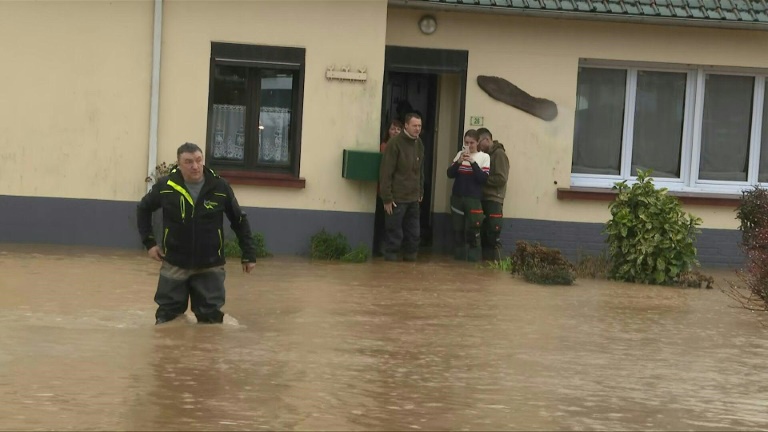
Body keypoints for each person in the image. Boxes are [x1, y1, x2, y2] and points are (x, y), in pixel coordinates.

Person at [137, 142, 257, 325]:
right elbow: (143, 209)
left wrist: (248, 254)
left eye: (199, 160)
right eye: (189, 162)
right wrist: (149, 243)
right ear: (179, 164)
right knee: (167, 321)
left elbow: (239, 220)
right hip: (174, 263)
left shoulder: (219, 186)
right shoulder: (166, 186)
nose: (195, 166)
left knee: (210, 322)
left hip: (210, 264)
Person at [378, 113, 425, 262]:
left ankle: (410, 263)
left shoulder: (419, 143)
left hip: (414, 198)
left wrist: (420, 191)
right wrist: (387, 198)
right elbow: (386, 172)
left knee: (414, 234)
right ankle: (390, 265)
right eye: (414, 125)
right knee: (394, 234)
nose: (417, 129)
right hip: (396, 199)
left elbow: (420, 170)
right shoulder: (394, 143)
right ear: (406, 125)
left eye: (419, 126)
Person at [447, 129, 490, 261]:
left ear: (477, 142)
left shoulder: (484, 157)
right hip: (457, 197)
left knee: (474, 231)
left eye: (471, 143)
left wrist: (472, 162)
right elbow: (450, 174)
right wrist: (459, 162)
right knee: (458, 230)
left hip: (473, 198)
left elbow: (482, 179)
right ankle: (459, 261)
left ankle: (473, 262)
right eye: (466, 143)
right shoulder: (459, 154)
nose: (469, 145)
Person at [477, 128, 510, 262]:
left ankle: (496, 264)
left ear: (487, 140)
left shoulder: (499, 154)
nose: (478, 145)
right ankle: (486, 267)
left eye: (479, 141)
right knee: (484, 235)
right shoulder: (484, 155)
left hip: (494, 199)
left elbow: (502, 178)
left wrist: (483, 179)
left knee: (493, 235)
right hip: (484, 198)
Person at [373, 119, 403, 257]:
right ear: (388, 131)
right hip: (384, 191)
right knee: (382, 221)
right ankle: (380, 248)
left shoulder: (405, 147)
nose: (395, 132)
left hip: (398, 192)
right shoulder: (384, 147)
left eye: (398, 129)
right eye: (392, 129)